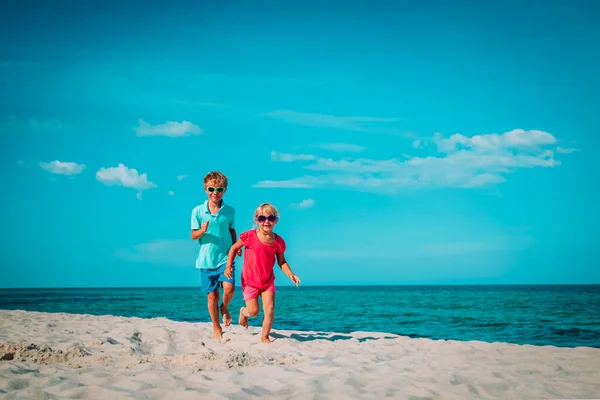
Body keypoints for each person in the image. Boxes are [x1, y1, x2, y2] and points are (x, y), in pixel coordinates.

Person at [225, 202, 301, 343]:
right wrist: (228, 266)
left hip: (267, 281)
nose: (266, 221)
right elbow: (234, 248)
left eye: (270, 218)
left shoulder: (278, 242)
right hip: (250, 281)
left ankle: (265, 337)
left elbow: (282, 261)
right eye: (262, 218)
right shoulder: (249, 236)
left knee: (270, 309)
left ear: (276, 220)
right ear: (257, 220)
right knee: (253, 312)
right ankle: (243, 312)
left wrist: (291, 274)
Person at [190, 171, 240, 341]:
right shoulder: (197, 211)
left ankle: (224, 308)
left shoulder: (230, 211)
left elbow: (232, 229)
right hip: (206, 260)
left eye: (219, 189)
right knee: (212, 295)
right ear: (205, 189)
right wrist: (201, 231)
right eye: (211, 189)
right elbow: (193, 236)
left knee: (229, 288)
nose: (215, 193)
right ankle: (216, 326)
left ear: (225, 190)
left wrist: (236, 246)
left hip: (226, 257)